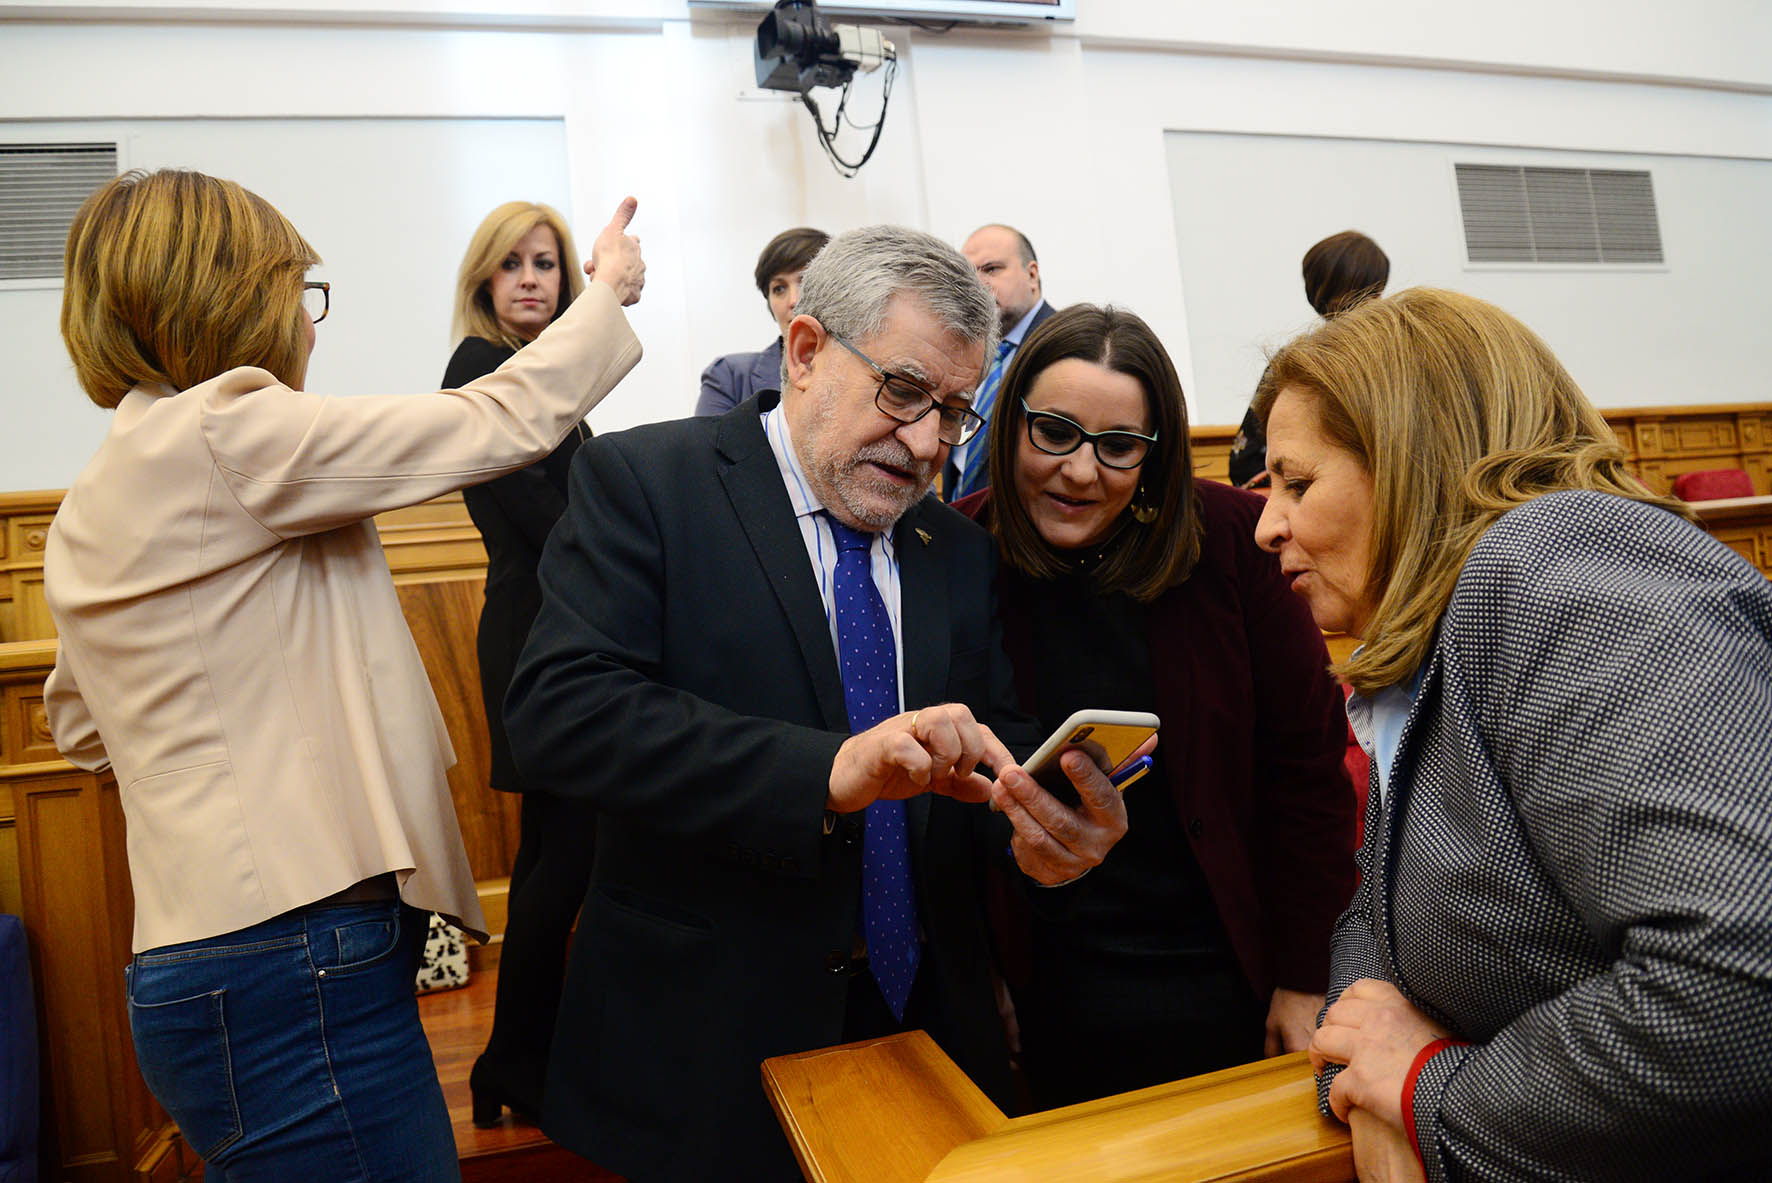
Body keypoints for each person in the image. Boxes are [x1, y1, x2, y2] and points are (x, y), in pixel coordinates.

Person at [43, 168, 645, 1180]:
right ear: (231, 297)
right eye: (297, 294)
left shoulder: (103, 486)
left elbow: (79, 724)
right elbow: (492, 422)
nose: (308, 327)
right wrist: (607, 295)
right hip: (294, 955)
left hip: (193, 964)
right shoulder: (228, 429)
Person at [503, 225, 1133, 1182]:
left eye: (954, 412)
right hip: (706, 1046)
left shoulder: (955, 551)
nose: (927, 442)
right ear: (804, 351)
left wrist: (1038, 835)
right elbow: (562, 712)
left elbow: (979, 758)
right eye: (905, 391)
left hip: (923, 1029)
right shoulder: (648, 482)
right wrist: (822, 770)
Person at [1249, 288, 1772, 1181]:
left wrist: (1429, 1095)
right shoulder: (1425, 652)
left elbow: (1736, 984)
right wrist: (1371, 1081)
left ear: (1413, 460)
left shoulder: (1553, 563)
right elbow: (1368, 933)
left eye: (1298, 482)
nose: (1267, 525)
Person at [955, 304, 1356, 1108]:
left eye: (1117, 447)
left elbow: (1306, 771)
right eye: (1054, 432)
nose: (1079, 471)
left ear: (1154, 454)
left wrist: (1306, 977)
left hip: (1225, 959)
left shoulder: (1237, 539)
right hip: (1044, 973)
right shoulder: (960, 549)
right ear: (1009, 425)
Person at [441, 201, 605, 1126]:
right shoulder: (480, 370)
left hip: (555, 634)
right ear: (484, 285)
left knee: (555, 853)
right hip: (537, 639)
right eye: (513, 265)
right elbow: (548, 524)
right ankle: (515, 1060)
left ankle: (515, 1059)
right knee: (565, 857)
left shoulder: (540, 382)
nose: (533, 278)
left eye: (547, 262)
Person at [1227, 230, 1388, 489]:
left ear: (1313, 293)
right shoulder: (1397, 357)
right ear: (1377, 291)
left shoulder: (1290, 362)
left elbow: (1243, 463)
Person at [944, 223, 1057, 502]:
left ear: (1032, 275)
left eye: (991, 269)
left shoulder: (1066, 349)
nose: (978, 284)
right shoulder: (962, 353)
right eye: (969, 275)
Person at [696, 226, 829, 416]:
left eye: (805, 282)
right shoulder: (730, 377)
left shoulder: (868, 371)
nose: (793, 301)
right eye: (779, 288)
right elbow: (706, 446)